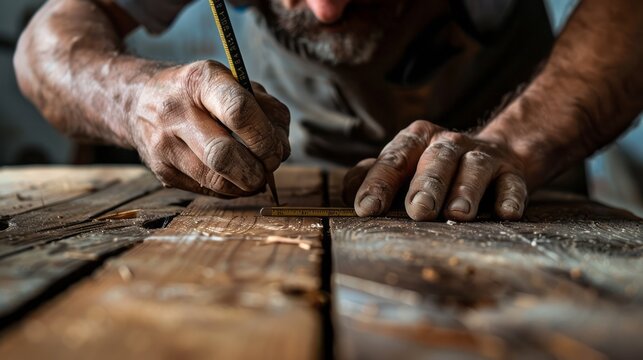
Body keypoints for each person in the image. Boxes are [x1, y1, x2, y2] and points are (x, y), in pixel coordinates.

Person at [13, 0, 643, 221]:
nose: (325, 10)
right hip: (293, 188)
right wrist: (133, 99)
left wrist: (521, 140)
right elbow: (46, 44)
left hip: (517, 188)